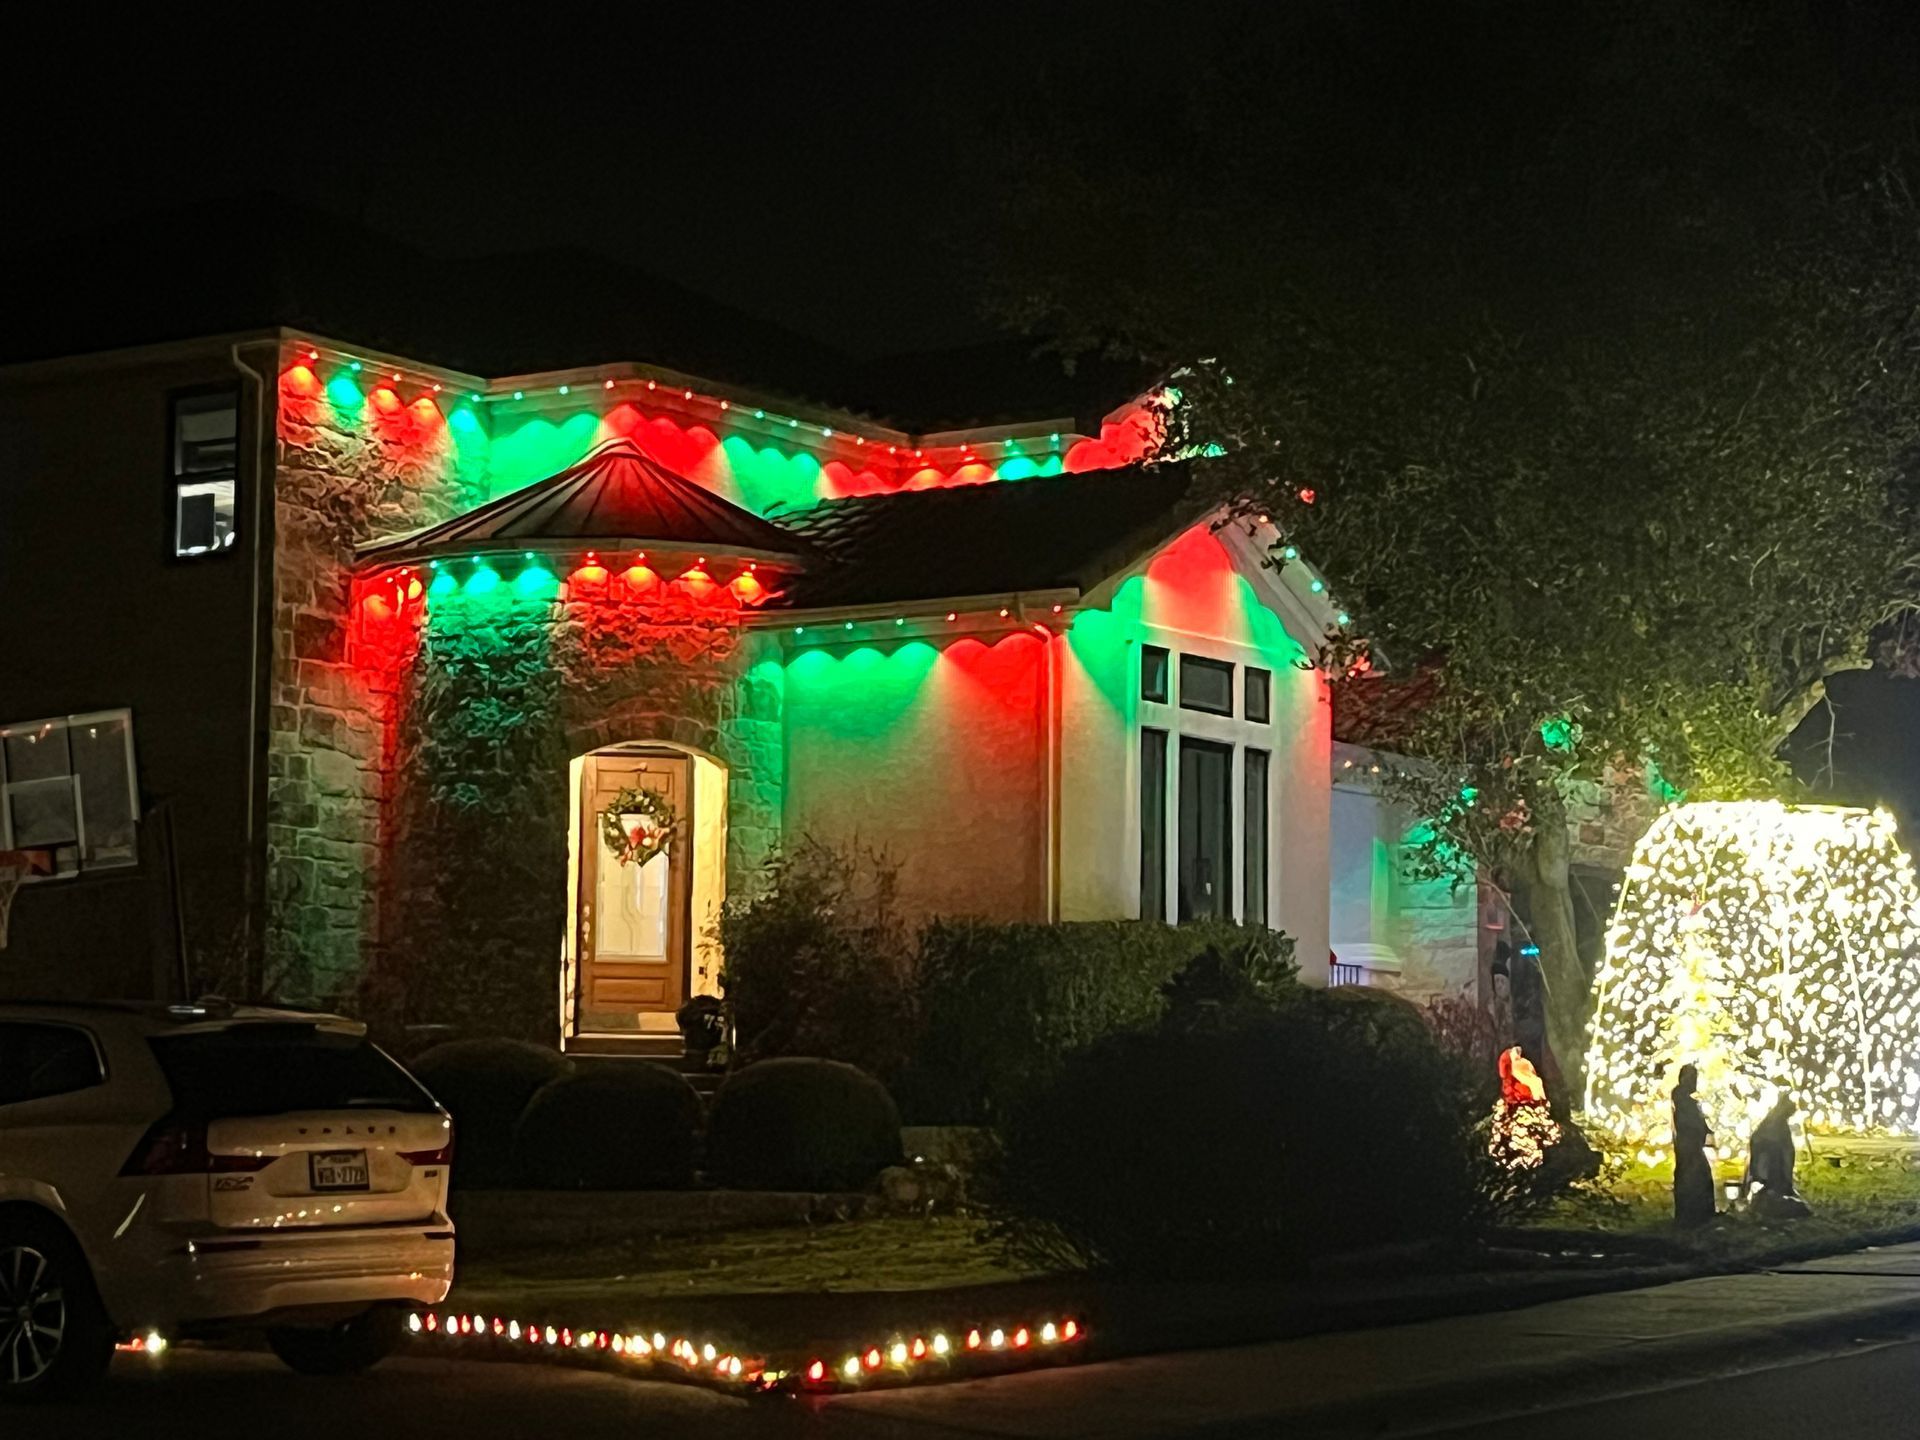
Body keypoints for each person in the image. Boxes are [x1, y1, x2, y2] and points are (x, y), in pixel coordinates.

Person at [1744, 1094, 1811, 1220]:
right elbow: (1768, 1144)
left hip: (1775, 1163)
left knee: (1777, 1183)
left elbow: (1786, 1148)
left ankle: (1775, 1193)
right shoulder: (1772, 1124)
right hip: (1771, 1163)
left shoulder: (1778, 1124)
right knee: (1772, 1182)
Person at [1671, 1063, 1716, 1227]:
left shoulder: (1686, 1100)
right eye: (1692, 1078)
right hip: (1688, 1147)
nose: (1694, 1082)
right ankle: (1694, 1215)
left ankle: (1696, 1213)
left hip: (1691, 1146)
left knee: (1697, 1176)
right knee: (1693, 1177)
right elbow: (1688, 1122)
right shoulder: (1682, 1099)